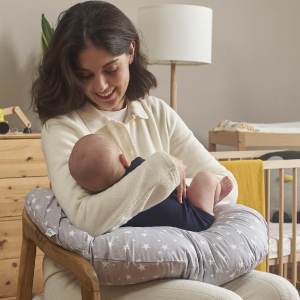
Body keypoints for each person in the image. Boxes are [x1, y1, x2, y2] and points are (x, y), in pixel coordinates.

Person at [31, 1, 299, 299]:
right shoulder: (62, 128)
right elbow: (87, 220)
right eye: (85, 75)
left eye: (111, 69)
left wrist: (181, 192)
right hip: (88, 271)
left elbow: (224, 180)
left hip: (177, 256)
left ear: (130, 52)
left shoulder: (157, 112)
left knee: (280, 291)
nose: (101, 85)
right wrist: (162, 169)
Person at [68, 133, 233, 232]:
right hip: (196, 217)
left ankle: (209, 198)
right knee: (206, 177)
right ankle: (214, 197)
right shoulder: (141, 168)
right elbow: (175, 181)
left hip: (183, 222)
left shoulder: (110, 206)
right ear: (123, 159)